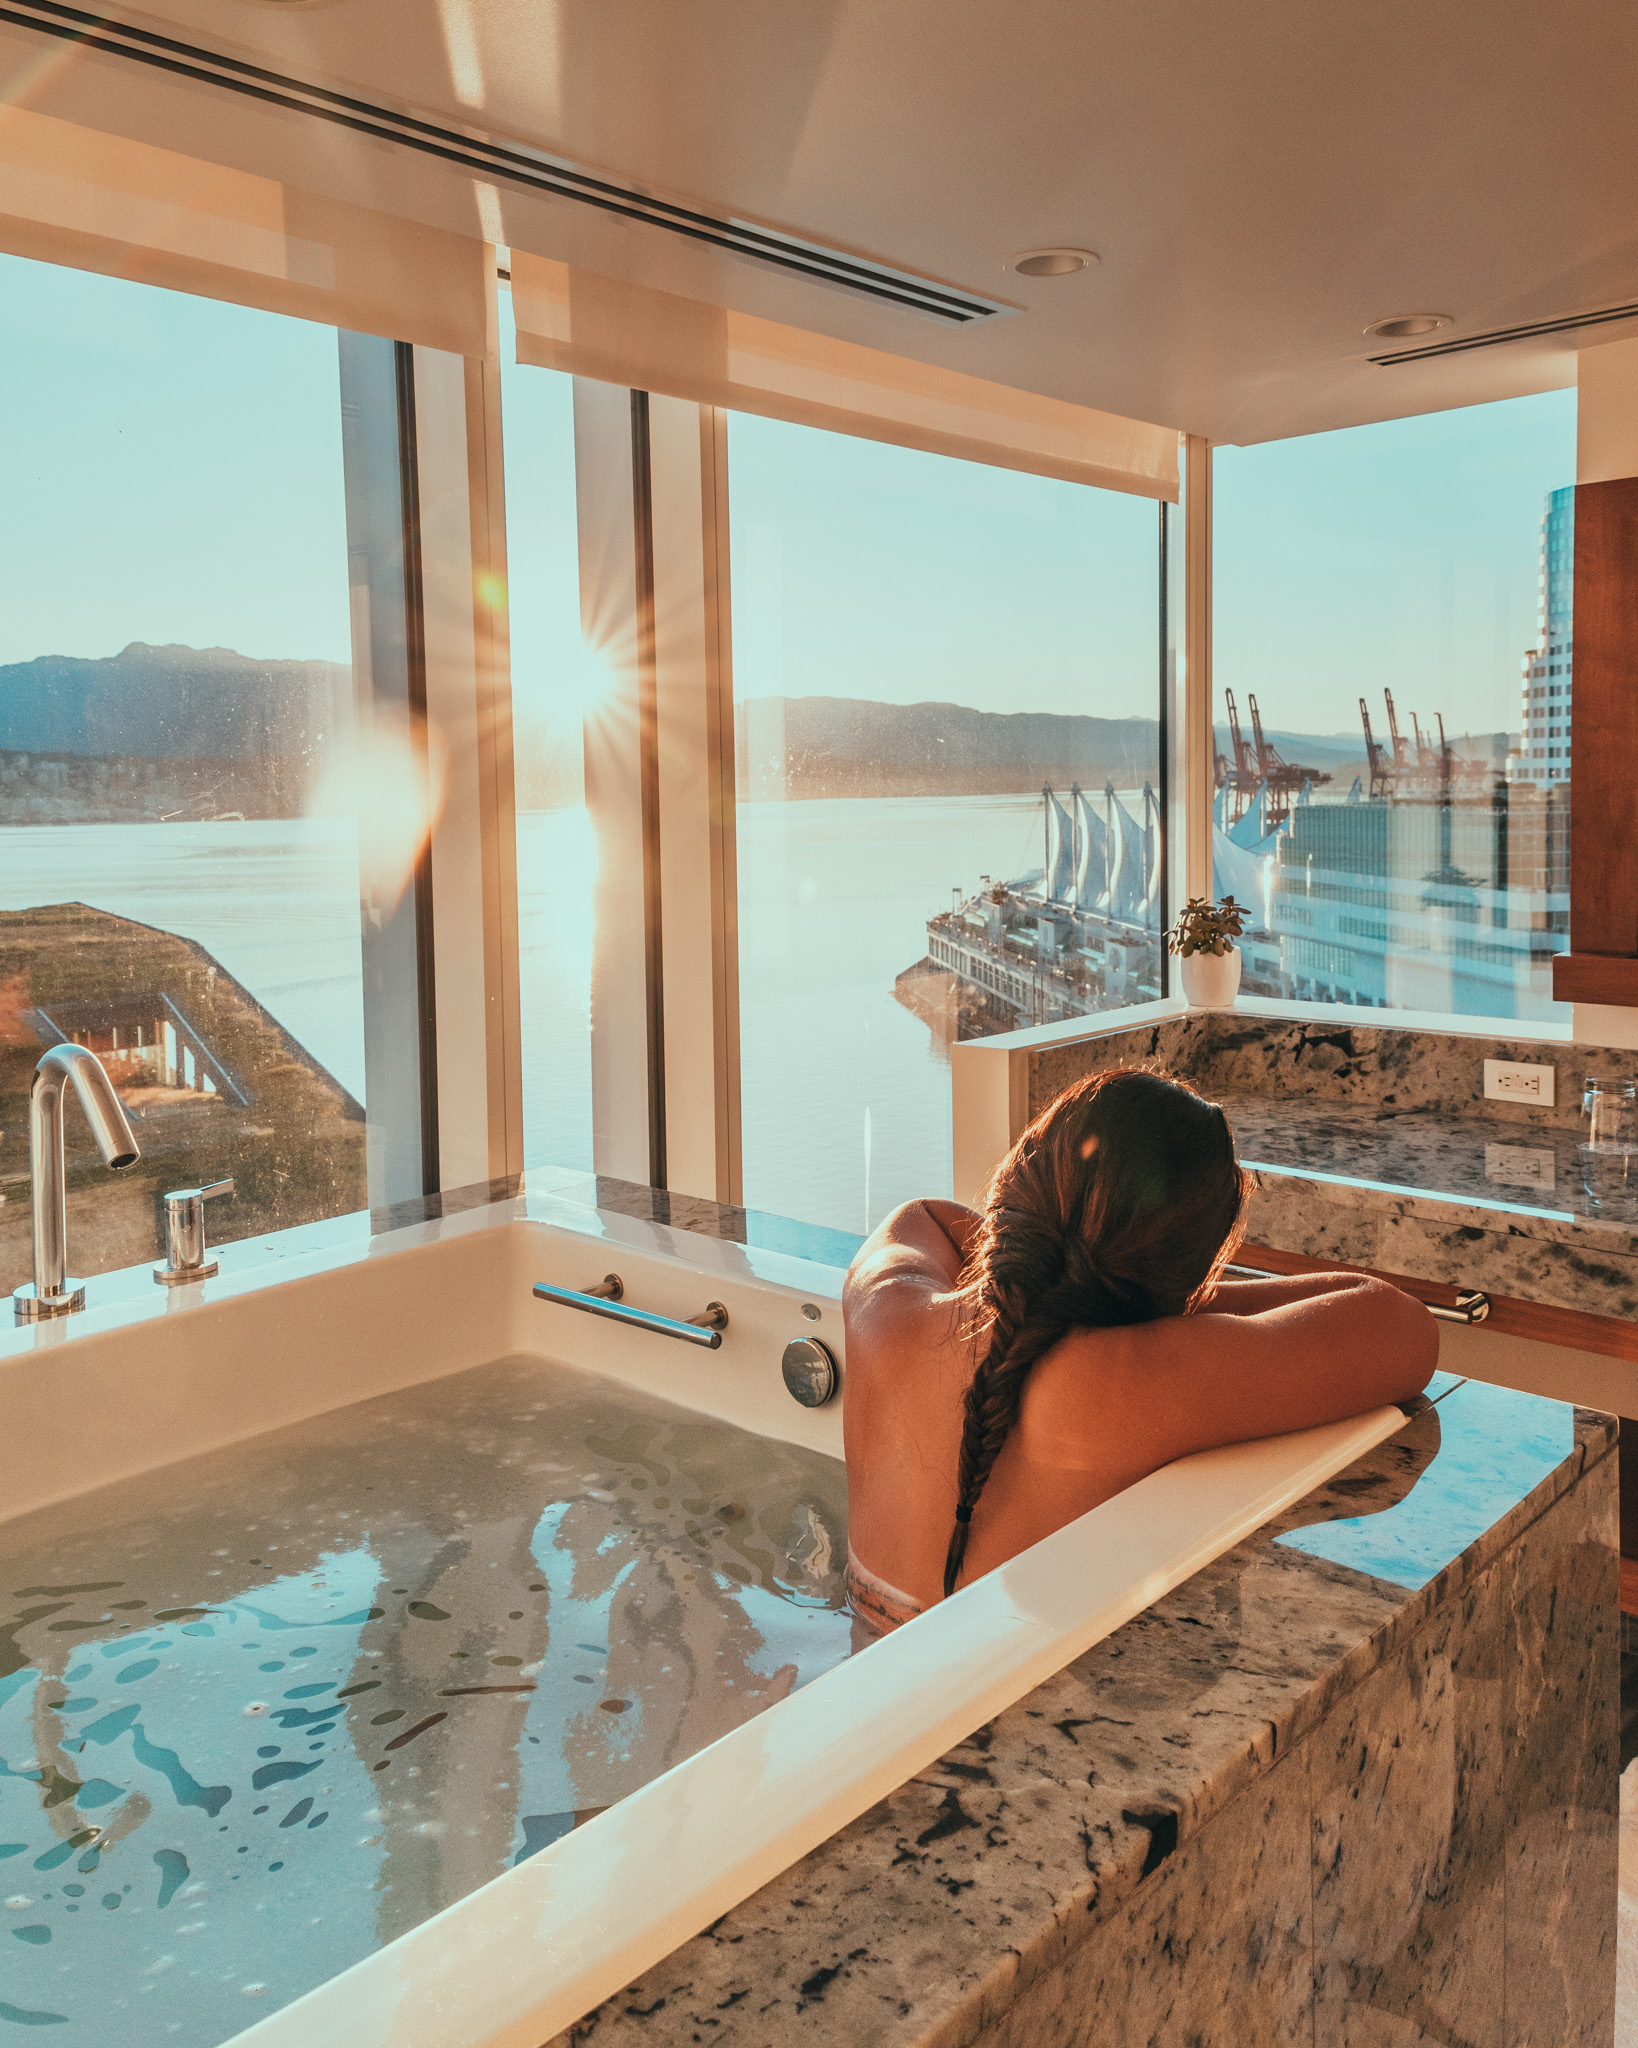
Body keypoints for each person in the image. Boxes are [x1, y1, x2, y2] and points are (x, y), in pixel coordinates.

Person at [842, 1067, 1438, 1635]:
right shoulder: (1128, 1378)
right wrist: (1157, 1311)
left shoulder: (885, 1307)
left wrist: (1042, 1280)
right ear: (1182, 1274)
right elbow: (1402, 1328)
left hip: (859, 1682)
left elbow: (932, 1217)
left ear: (1020, 1173)